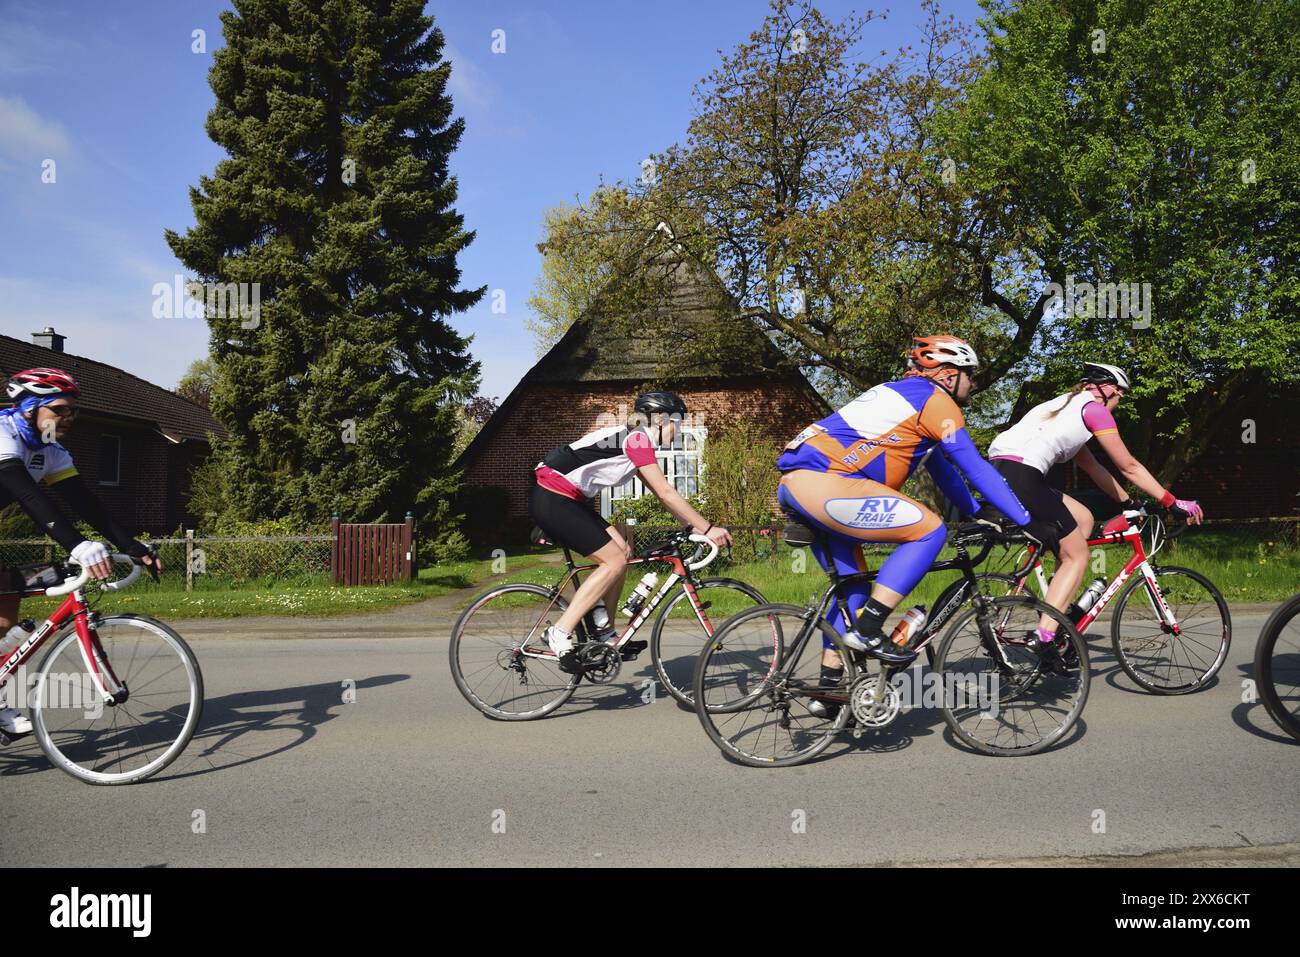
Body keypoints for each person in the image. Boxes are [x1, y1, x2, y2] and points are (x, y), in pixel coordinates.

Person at [777, 336, 1041, 711]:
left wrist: (976, 512)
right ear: (949, 376)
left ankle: (829, 692)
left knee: (852, 591)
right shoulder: (935, 402)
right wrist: (1026, 519)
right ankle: (870, 630)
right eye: (970, 376)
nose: (974, 384)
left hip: (797, 487)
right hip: (828, 485)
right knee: (929, 530)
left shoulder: (899, 397)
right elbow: (976, 467)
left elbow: (946, 472)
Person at [988, 361, 1204, 651]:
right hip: (1023, 475)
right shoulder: (1094, 410)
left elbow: (1094, 469)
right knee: (1077, 557)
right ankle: (1046, 636)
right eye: (1120, 395)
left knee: (1085, 520)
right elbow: (1128, 466)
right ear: (1109, 389)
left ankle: (1057, 600)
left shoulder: (1065, 408)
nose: (1120, 401)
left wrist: (1129, 503)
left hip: (1001, 472)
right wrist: (1171, 501)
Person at [0, 368, 162, 738]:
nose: (68, 418)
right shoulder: (3, 433)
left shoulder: (50, 450)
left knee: (7, 605)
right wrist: (77, 545)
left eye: (73, 411)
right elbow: (29, 497)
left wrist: (134, 547)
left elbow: (87, 504)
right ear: (28, 408)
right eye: (59, 410)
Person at [529, 391, 731, 673]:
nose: (679, 429)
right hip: (554, 496)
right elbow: (666, 491)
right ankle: (560, 632)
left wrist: (690, 527)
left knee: (622, 550)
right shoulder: (637, 439)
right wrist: (708, 528)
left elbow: (660, 496)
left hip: (567, 498)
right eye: (677, 422)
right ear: (660, 420)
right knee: (614, 560)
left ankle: (604, 634)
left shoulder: (635, 438)